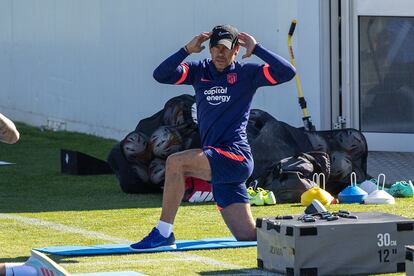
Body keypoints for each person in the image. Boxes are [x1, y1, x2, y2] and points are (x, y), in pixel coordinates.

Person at [130, 24, 295, 250]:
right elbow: (161, 75)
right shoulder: (199, 71)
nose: (220, 53)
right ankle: (298, 230)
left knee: (175, 162)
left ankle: (163, 232)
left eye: (226, 48)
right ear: (209, 49)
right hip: (220, 167)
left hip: (234, 157)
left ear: (236, 50)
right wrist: (187, 49)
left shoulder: (247, 75)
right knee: (248, 235)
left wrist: (257, 49)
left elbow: (287, 72)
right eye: (216, 47)